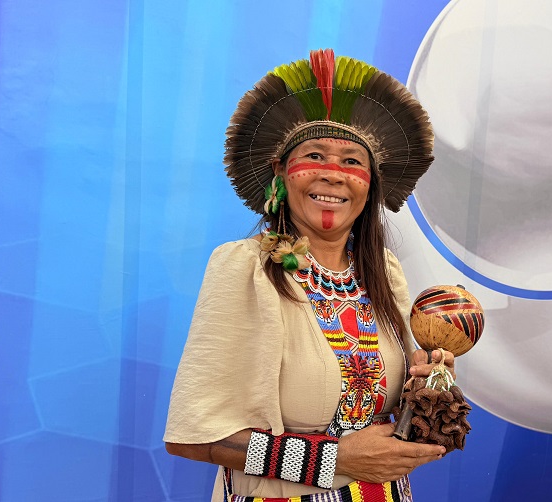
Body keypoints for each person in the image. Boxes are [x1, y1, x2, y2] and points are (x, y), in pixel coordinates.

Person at [164, 48, 453, 502]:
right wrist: (334, 459)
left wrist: (428, 383)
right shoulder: (245, 268)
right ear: (280, 172)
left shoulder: (384, 273)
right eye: (315, 155)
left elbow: (390, 417)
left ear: (371, 184)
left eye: (352, 162)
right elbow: (192, 437)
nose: (333, 175)